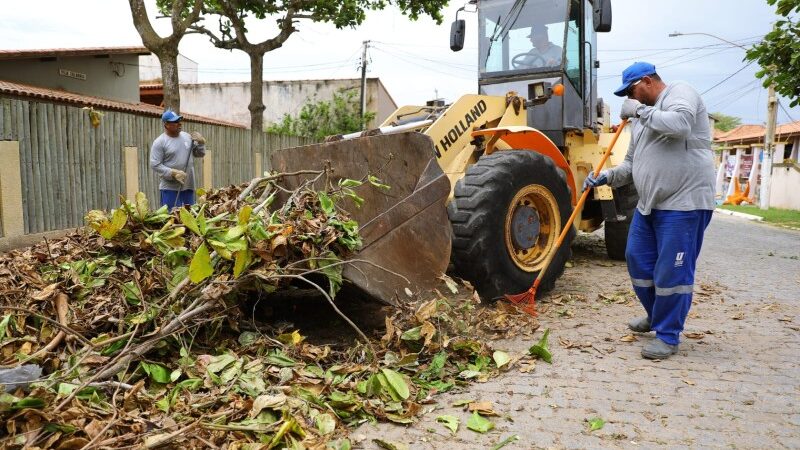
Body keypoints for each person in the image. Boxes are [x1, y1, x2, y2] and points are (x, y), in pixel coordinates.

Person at [583, 61, 716, 360]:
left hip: (684, 205)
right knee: (637, 261)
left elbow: (680, 126)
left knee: (672, 272)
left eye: (632, 91)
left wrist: (639, 111)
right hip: (650, 205)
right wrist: (607, 177)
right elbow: (631, 164)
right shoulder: (642, 122)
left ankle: (668, 336)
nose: (631, 99)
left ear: (646, 81)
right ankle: (656, 315)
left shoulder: (681, 92)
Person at [149, 109, 206, 208]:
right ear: (166, 124)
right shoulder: (160, 142)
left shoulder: (187, 137)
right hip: (170, 188)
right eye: (175, 122)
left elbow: (200, 154)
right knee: (173, 218)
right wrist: (172, 173)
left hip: (188, 186)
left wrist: (201, 143)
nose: (179, 124)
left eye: (179, 121)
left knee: (189, 217)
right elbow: (154, 164)